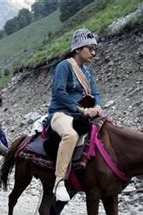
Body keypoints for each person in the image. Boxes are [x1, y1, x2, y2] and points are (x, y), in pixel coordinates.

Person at [47, 28, 102, 202]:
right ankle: (59, 181)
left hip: (82, 115)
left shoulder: (87, 72)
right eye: (89, 48)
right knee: (70, 135)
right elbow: (59, 92)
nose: (93, 53)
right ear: (78, 48)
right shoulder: (64, 66)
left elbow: (96, 93)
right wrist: (82, 110)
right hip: (61, 113)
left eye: (94, 49)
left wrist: (98, 106)